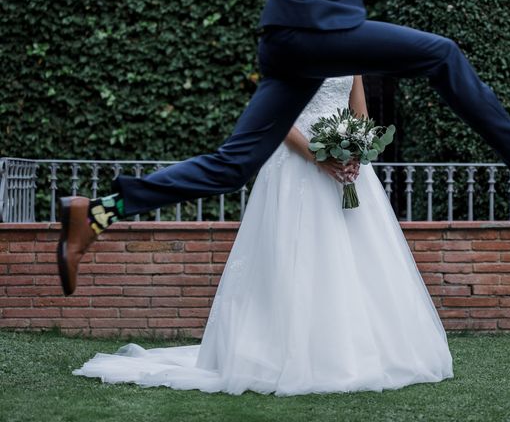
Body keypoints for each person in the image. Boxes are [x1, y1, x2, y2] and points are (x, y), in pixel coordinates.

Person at [57, 0, 510, 296]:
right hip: (314, 30)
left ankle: (100, 212)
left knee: (231, 166)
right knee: (441, 53)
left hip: (287, 40)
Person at [72, 75, 454, 395]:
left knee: (358, 262)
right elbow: (279, 119)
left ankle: (361, 350)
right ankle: (291, 353)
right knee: (296, 258)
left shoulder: (349, 49)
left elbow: (362, 114)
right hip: (297, 168)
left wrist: (357, 152)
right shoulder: (292, 48)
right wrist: (321, 156)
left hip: (348, 174)